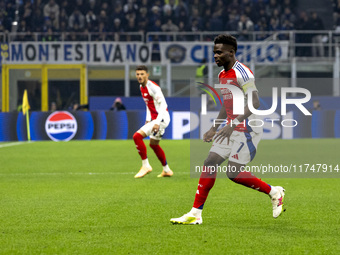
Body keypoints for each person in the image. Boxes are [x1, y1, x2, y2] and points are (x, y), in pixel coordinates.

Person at [170, 34, 285, 225]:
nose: (215, 56)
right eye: (214, 52)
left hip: (248, 127)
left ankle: (274, 192)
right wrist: (214, 127)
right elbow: (227, 103)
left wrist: (232, 125)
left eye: (219, 52)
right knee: (210, 162)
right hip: (231, 126)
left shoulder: (243, 73)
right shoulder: (222, 74)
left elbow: (255, 102)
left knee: (233, 173)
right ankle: (195, 213)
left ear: (231, 53)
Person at [133, 65, 173, 178]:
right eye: (138, 74)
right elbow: (148, 104)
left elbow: (164, 104)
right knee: (154, 144)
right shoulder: (142, 87)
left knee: (137, 136)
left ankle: (145, 166)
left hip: (161, 119)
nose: (140, 76)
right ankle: (167, 170)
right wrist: (147, 119)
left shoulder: (153, 87)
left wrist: (156, 122)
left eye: (142, 74)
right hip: (157, 119)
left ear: (147, 75)